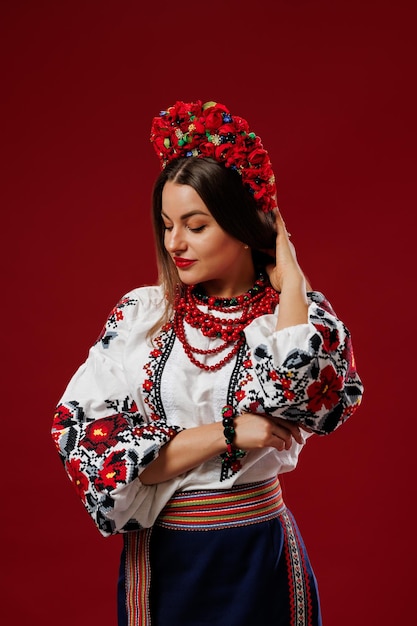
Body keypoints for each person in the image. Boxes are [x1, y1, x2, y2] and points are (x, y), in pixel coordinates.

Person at [52, 99, 364, 626]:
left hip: (260, 555)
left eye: (195, 226)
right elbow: (92, 449)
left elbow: (303, 399)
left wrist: (289, 277)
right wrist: (228, 431)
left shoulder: (293, 320)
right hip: (169, 560)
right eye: (167, 224)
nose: (174, 242)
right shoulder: (142, 315)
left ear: (242, 224)